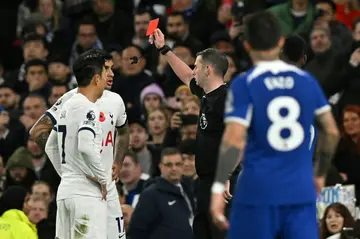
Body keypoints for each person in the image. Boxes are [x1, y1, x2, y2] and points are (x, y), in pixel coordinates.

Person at [210, 11, 340, 239]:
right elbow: (331, 132)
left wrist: (219, 186)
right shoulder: (306, 82)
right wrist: (319, 175)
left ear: (247, 45)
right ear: (280, 41)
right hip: (299, 193)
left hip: (257, 192)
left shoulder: (245, 83)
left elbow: (233, 139)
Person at [31, 49, 129, 239]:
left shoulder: (115, 100)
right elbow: (38, 131)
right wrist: (77, 173)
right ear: (95, 75)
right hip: (91, 188)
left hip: (91, 188)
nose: (112, 74)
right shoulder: (75, 100)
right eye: (107, 69)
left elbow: (123, 132)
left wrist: (117, 161)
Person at [150, 28, 231, 239]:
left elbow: (239, 139)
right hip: (205, 182)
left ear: (208, 69)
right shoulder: (208, 95)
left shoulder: (227, 99)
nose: (193, 70)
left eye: (196, 66)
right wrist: (164, 49)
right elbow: (186, 76)